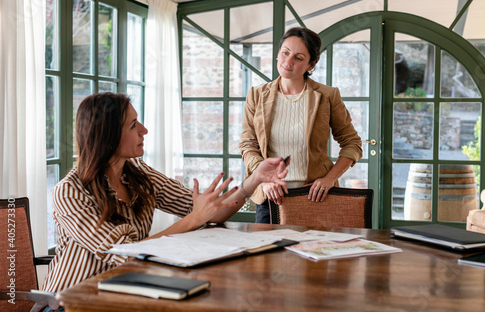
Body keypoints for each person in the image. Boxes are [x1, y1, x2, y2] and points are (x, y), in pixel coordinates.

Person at [41, 93, 288, 302]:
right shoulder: (69, 191)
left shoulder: (139, 174)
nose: (144, 130)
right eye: (133, 124)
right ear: (107, 136)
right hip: (71, 302)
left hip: (126, 292)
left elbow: (209, 210)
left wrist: (254, 180)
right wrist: (194, 219)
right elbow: (126, 253)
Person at [239, 27, 362, 224]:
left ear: (310, 64)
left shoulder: (328, 96)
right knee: (267, 254)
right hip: (269, 197)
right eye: (285, 53)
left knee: (311, 253)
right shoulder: (256, 95)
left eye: (298, 58)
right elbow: (248, 145)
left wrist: (329, 179)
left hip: (314, 197)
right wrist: (264, 179)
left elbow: (352, 143)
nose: (288, 62)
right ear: (278, 54)